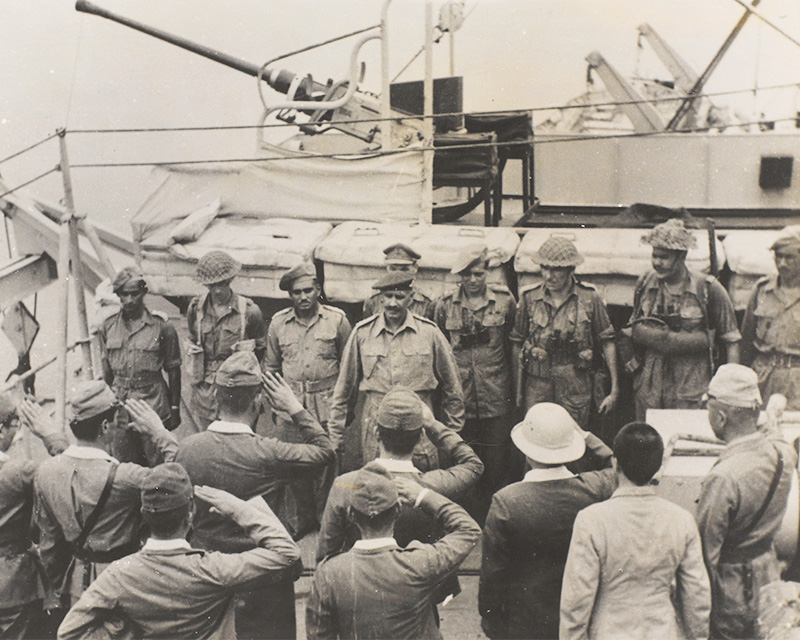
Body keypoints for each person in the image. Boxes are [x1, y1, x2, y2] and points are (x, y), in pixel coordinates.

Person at [176, 351, 334, 640]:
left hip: (209, 579)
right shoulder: (268, 453)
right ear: (258, 403)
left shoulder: (187, 450)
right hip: (264, 582)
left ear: (216, 400)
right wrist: (295, 408)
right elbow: (325, 451)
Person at [57, 464, 302, 640]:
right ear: (190, 512)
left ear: (144, 515)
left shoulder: (119, 574)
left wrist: (123, 631)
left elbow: (68, 633)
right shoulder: (213, 569)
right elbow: (287, 552)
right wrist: (239, 509)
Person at [560, 422, 711, 640]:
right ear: (659, 467)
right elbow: (697, 596)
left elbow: (576, 602)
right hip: (664, 632)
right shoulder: (682, 520)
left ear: (615, 463)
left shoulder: (592, 520)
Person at [479, 402, 617, 640]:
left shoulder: (507, 502)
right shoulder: (595, 488)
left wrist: (492, 621)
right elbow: (616, 466)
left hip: (525, 623)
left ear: (526, 450)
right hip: (580, 617)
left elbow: (494, 575)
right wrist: (584, 435)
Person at [34, 381, 178, 605]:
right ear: (104, 426)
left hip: (77, 588)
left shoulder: (46, 472)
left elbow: (49, 546)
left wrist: (62, 584)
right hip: (126, 583)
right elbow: (177, 479)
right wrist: (159, 433)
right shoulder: (126, 477)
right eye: (115, 420)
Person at [306, 462, 481, 639]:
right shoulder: (422, 562)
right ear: (397, 511)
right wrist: (424, 496)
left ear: (351, 515)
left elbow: (319, 635)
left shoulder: (329, 573)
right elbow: (469, 530)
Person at [317, 387, 483, 561]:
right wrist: (433, 426)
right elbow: (473, 465)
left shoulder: (344, 485)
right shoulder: (434, 486)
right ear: (421, 438)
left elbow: (325, 557)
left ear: (375, 433)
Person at [328, 271, 465, 471]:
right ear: (380, 298)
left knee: (420, 492)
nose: (393, 303)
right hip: (376, 433)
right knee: (377, 491)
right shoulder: (362, 333)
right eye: (388, 297)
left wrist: (449, 439)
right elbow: (343, 390)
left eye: (399, 297)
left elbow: (453, 390)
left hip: (420, 433)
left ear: (411, 297)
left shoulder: (430, 333)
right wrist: (335, 436)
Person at [696, 363, 795, 638]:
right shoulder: (783, 455)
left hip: (731, 593)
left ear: (721, 418)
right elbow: (771, 424)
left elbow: (705, 555)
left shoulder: (723, 478)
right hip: (768, 577)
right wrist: (773, 407)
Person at [264, 261, 352, 539]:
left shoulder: (336, 320)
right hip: (291, 408)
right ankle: (301, 524)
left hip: (326, 405)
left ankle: (328, 525)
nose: (302, 297)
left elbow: (350, 369)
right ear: (290, 296)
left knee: (328, 468)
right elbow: (271, 369)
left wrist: (344, 409)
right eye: (296, 293)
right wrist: (277, 407)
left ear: (318, 290)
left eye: (308, 291)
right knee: (293, 468)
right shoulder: (278, 323)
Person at [625, 218, 740, 420]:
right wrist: (635, 370)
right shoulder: (645, 283)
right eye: (655, 255)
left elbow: (731, 340)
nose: (657, 263)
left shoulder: (707, 289)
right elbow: (631, 328)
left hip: (691, 385)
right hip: (651, 385)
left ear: (681, 257)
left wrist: (729, 389)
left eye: (665, 257)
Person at [434, 244, 516, 522]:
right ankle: (465, 521)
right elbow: (440, 351)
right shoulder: (445, 305)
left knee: (496, 463)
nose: (472, 280)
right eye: (466, 274)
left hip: (495, 396)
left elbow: (512, 348)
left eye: (478, 274)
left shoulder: (505, 301)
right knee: (463, 464)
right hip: (460, 401)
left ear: (487, 273)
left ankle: (495, 521)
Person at [510, 236, 619, 431]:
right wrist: (517, 391)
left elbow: (607, 341)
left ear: (571, 270)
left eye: (556, 269)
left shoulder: (589, 299)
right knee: (537, 443)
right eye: (544, 268)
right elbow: (517, 342)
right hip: (537, 388)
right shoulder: (529, 298)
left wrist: (614, 390)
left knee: (574, 442)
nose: (548, 276)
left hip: (575, 388)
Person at [0, 394, 69, 639]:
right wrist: (51, 435)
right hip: (13, 585)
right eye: (14, 424)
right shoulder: (20, 473)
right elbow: (69, 471)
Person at [98, 265, 182, 466]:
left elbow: (174, 370)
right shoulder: (108, 326)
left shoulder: (162, 327)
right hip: (120, 409)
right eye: (124, 295)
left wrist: (175, 407)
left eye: (134, 294)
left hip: (152, 405)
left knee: (157, 463)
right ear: (118, 295)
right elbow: (107, 372)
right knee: (124, 465)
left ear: (143, 292)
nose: (129, 300)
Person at [186, 250, 267, 429]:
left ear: (230, 280)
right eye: (212, 285)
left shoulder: (249, 311)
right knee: (209, 442)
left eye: (222, 283)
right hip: (206, 391)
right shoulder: (196, 309)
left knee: (241, 444)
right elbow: (193, 340)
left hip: (238, 390)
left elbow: (260, 348)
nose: (218, 290)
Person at [741, 224, 800, 410]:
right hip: (763, 376)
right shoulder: (762, 290)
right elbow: (746, 341)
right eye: (778, 256)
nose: (782, 263)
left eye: (789, 257)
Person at [362, 243, 435, 320]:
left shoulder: (426, 302)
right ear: (387, 268)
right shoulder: (373, 300)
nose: (397, 275)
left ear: (415, 268)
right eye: (393, 269)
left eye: (404, 269)